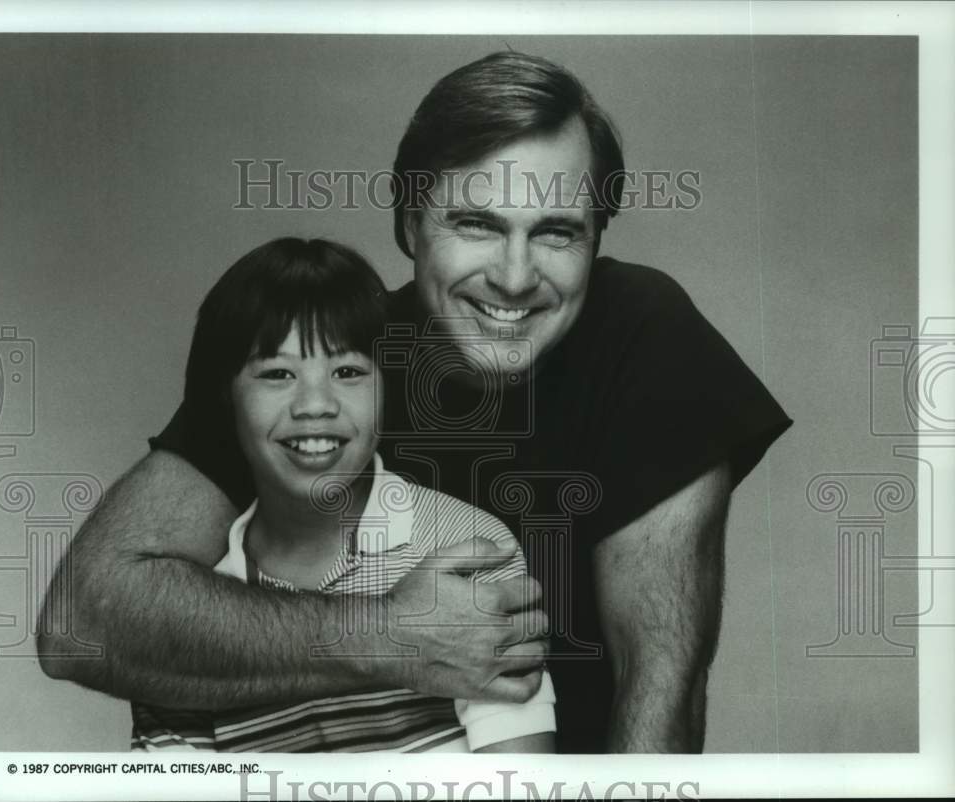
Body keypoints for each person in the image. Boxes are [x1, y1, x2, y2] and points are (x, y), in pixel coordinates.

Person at [39, 51, 791, 753]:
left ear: (596, 236)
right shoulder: (327, 364)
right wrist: (393, 638)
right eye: (475, 224)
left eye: (557, 232)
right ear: (408, 224)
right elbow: (84, 620)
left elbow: (659, 681)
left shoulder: (644, 333)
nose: (516, 276)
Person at [129, 236, 555, 752]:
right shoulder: (187, 601)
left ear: (388, 386)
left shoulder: (464, 548)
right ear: (223, 398)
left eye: (348, 372)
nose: (315, 405)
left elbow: (522, 778)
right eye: (277, 373)